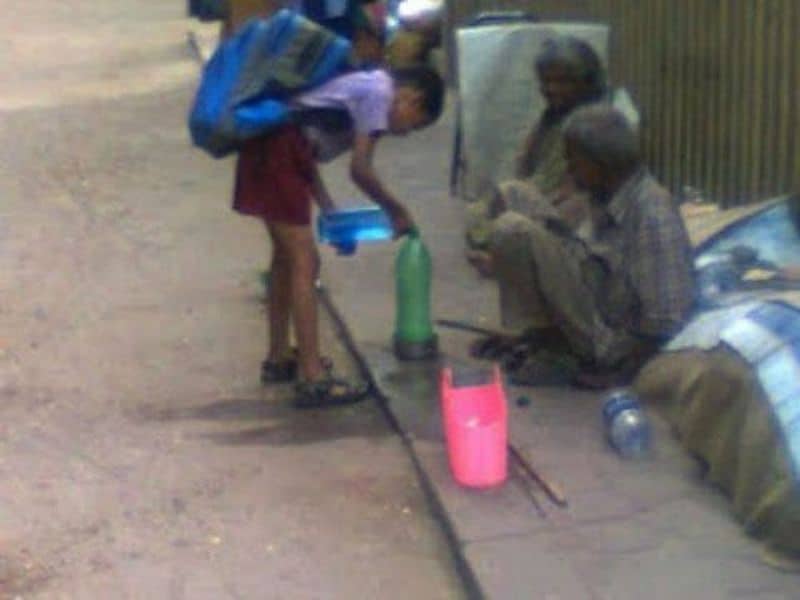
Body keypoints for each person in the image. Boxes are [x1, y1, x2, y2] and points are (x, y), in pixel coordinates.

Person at [233, 65, 445, 407]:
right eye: (413, 124)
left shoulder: (366, 88)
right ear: (411, 98)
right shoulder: (380, 93)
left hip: (274, 148)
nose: (403, 133)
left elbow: (305, 145)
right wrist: (397, 210)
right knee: (305, 261)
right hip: (277, 151)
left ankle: (279, 357)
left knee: (286, 259)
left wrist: (330, 211)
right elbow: (360, 169)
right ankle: (313, 378)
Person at [472, 105, 695, 387]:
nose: (569, 168)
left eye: (574, 161)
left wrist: (621, 373)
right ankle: (541, 336)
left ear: (601, 162)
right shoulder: (606, 193)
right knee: (513, 194)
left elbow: (668, 319)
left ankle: (558, 349)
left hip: (609, 337)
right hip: (594, 291)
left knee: (511, 228)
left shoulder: (652, 212)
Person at [465, 36, 608, 274]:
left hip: (570, 206)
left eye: (563, 82)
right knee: (483, 213)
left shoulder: (593, 123)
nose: (552, 89)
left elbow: (575, 188)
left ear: (585, 83)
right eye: (547, 81)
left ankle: (516, 260)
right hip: (541, 196)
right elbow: (525, 164)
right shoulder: (552, 117)